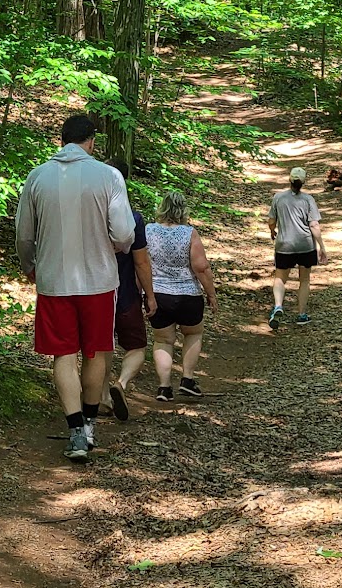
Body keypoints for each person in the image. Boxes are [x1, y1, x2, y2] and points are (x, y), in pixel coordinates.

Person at [15, 110, 135, 461]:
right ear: (91, 142)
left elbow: (23, 233)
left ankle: (74, 432)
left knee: (63, 355)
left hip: (54, 281)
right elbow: (125, 233)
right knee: (96, 350)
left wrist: (30, 266)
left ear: (61, 140)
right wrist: (115, 247)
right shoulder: (109, 176)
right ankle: (91, 425)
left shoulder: (37, 177)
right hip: (99, 280)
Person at [145, 190, 217, 401]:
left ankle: (164, 387)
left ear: (162, 207)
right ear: (182, 210)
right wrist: (211, 294)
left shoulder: (149, 231)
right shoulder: (189, 233)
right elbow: (201, 267)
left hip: (158, 294)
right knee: (193, 333)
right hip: (188, 295)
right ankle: (187, 379)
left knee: (163, 340)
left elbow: (142, 263)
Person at [106, 159, 154, 420]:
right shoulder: (133, 219)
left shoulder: (91, 218)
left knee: (100, 348)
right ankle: (121, 383)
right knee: (136, 347)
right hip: (126, 296)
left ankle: (99, 397)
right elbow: (141, 262)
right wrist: (150, 296)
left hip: (96, 293)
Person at [268, 163, 325, 328]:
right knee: (305, 280)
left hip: (284, 244)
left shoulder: (278, 198)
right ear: (304, 182)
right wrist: (322, 246)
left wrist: (272, 230)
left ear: (289, 180)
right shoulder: (308, 199)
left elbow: (271, 220)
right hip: (305, 245)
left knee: (280, 278)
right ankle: (301, 315)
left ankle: (278, 306)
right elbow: (314, 225)